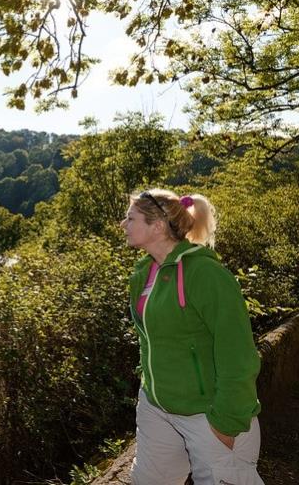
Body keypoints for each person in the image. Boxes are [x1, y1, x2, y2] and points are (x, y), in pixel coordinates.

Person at [120, 188, 263, 485]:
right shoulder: (144, 273)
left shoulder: (205, 274)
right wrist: (148, 382)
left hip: (209, 414)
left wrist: (227, 421)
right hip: (157, 410)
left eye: (130, 218)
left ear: (157, 226)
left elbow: (238, 354)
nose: (123, 224)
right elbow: (153, 340)